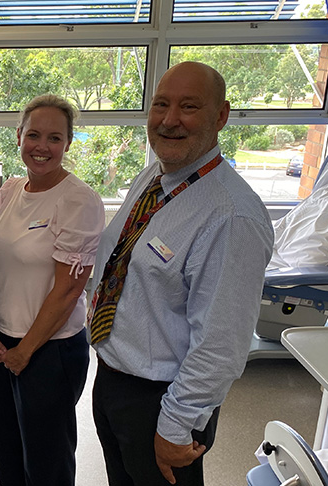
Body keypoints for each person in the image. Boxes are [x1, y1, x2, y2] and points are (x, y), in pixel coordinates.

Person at [87, 61, 274, 486]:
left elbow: (221, 345)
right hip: (115, 380)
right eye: (161, 105)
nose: (170, 120)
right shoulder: (155, 177)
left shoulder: (232, 216)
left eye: (189, 107)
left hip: (163, 401)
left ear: (221, 116)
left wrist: (175, 426)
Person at [0, 94, 104, 485]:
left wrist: (25, 352)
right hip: (2, 345)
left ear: (68, 143)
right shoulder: (10, 191)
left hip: (48, 352)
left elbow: (69, 291)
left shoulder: (78, 200)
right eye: (33, 134)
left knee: (47, 466)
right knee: (9, 453)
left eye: (55, 138)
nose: (42, 146)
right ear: (18, 136)